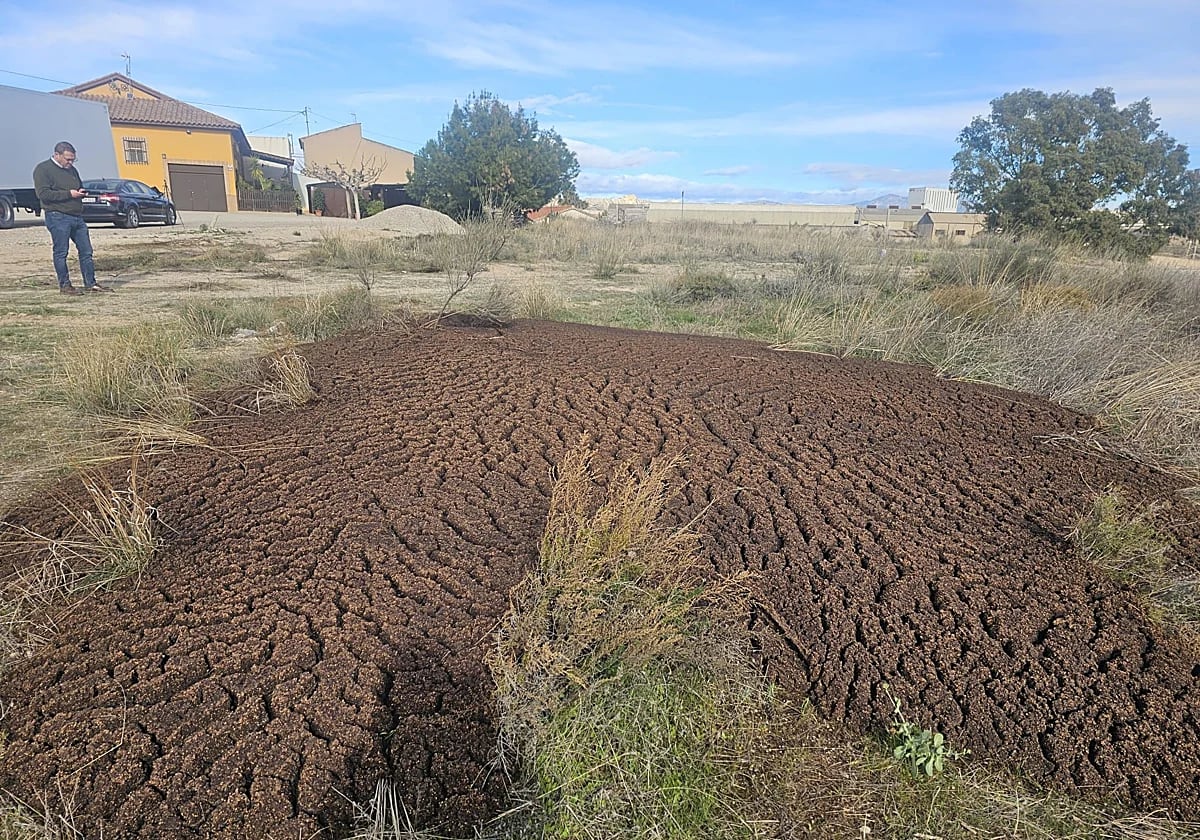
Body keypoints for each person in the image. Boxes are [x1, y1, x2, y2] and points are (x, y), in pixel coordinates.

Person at [32, 141, 112, 295]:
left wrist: (80, 192)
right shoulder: (43, 169)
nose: (70, 162)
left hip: (77, 216)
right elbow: (43, 195)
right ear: (57, 155)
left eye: (73, 159)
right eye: (67, 159)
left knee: (86, 251)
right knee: (61, 252)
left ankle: (91, 283)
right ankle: (65, 285)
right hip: (57, 216)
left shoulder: (72, 170)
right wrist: (69, 194)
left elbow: (77, 186)